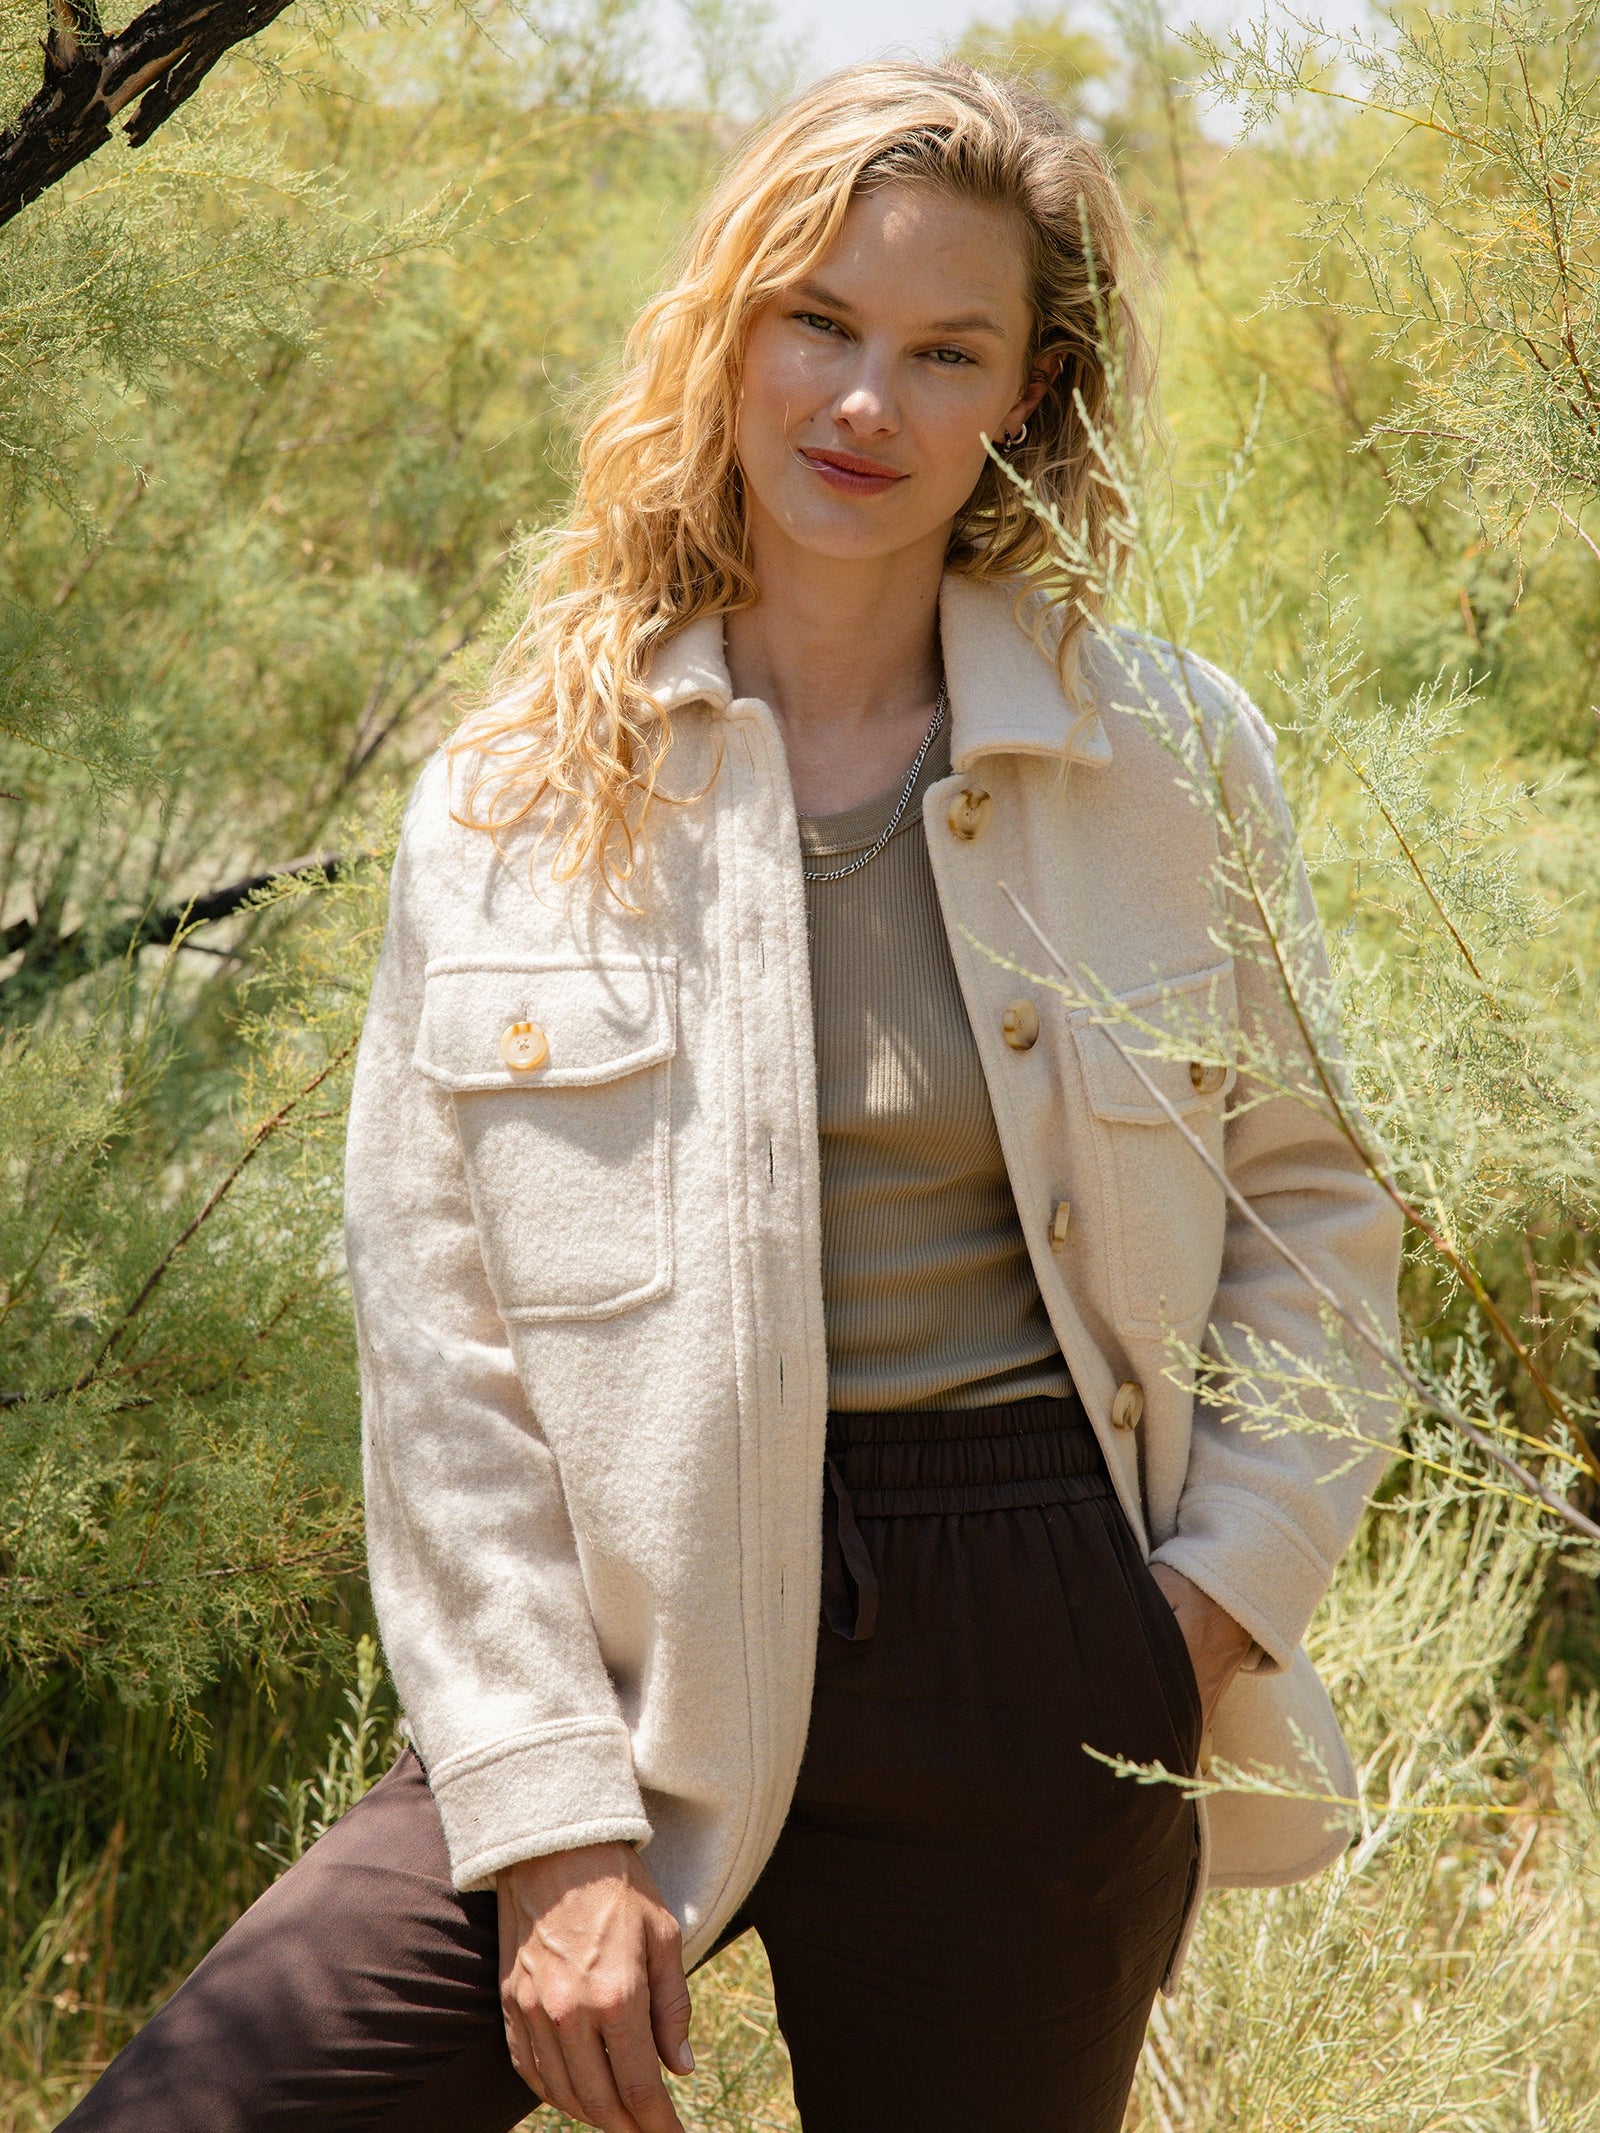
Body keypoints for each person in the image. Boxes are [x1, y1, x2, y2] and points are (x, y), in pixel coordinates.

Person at [59, 59, 1403, 2133]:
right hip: (630, 1616)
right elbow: (442, 1346)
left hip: (1040, 1628)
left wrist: (1198, 1616)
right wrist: (544, 1815)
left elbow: (1313, 1216)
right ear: (727, 331)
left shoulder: (1169, 756)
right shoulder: (515, 790)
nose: (864, 400)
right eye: (817, 322)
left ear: (1022, 395)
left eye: (940, 349)